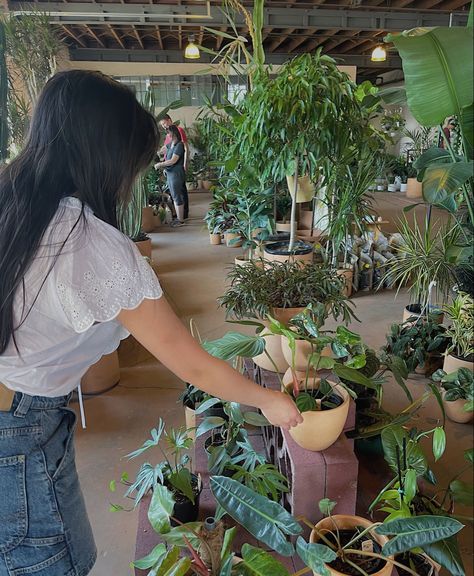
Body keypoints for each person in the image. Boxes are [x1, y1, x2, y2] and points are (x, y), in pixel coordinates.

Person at [0, 70, 302, 576]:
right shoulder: (86, 242)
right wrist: (272, 401)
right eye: (134, 167)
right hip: (20, 428)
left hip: (19, 414)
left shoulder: (15, 202)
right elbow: (193, 365)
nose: (132, 180)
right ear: (106, 155)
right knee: (50, 563)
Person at [155, 125, 187, 227]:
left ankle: (180, 220)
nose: (167, 135)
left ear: (173, 133)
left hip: (176, 173)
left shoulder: (179, 145)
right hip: (170, 173)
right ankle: (176, 217)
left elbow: (173, 160)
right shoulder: (171, 145)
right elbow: (162, 150)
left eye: (168, 133)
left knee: (177, 196)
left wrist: (160, 164)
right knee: (171, 195)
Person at [159, 114, 190, 219]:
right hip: (170, 169)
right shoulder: (168, 136)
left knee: (180, 191)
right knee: (174, 192)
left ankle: (183, 215)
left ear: (169, 120)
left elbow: (185, 148)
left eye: (164, 123)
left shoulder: (178, 131)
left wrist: (185, 163)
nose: (163, 126)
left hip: (177, 168)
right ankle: (177, 214)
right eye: (162, 124)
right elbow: (166, 151)